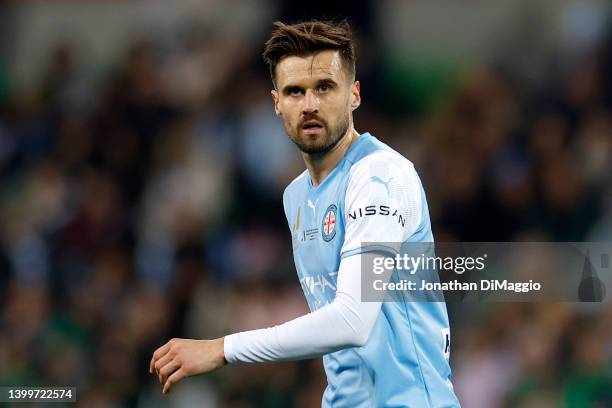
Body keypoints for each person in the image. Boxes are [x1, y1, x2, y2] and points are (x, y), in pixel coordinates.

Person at [150, 19, 460, 407]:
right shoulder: (296, 196)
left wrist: (222, 348)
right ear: (278, 103)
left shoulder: (380, 176)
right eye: (295, 92)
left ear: (354, 95)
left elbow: (352, 320)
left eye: (324, 88)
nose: (310, 104)